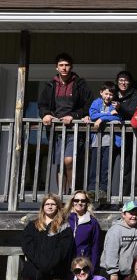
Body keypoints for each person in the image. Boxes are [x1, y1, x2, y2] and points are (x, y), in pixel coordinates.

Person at [37, 53, 93, 193]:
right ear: (56, 68)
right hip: (55, 130)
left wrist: (73, 116)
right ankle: (61, 196)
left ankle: (73, 194)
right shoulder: (50, 85)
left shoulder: (80, 84)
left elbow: (88, 105)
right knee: (60, 164)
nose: (64, 68)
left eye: (67, 65)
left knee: (69, 161)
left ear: (71, 67)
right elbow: (42, 105)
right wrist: (46, 114)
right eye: (61, 65)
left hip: (73, 129)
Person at [21, 194, 74, 280]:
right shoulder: (32, 226)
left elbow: (62, 251)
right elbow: (28, 248)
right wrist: (42, 264)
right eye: (47, 204)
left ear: (58, 207)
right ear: (43, 207)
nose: (50, 206)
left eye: (53, 204)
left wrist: (48, 265)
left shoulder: (64, 228)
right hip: (33, 278)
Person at [87, 81, 121, 197]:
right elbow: (92, 115)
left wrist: (101, 119)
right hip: (97, 140)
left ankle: (103, 190)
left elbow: (117, 117)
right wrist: (106, 116)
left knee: (106, 167)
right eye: (106, 94)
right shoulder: (96, 103)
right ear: (101, 93)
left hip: (110, 141)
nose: (108, 97)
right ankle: (92, 189)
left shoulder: (115, 104)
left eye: (111, 94)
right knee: (94, 165)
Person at [115, 71, 137, 195]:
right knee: (112, 168)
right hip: (113, 135)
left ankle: (127, 197)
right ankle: (109, 197)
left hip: (131, 137)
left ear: (130, 82)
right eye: (121, 80)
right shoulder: (112, 94)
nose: (123, 83)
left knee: (129, 169)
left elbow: (133, 111)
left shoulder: (136, 95)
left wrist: (119, 106)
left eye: (126, 80)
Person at [100, 201, 137, 280]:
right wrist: (113, 272)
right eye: (131, 213)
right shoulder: (115, 230)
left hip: (129, 273)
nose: (134, 216)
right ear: (123, 214)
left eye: (136, 213)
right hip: (112, 273)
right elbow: (111, 252)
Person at [66, 191, 100, 270]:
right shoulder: (65, 220)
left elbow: (95, 248)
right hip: (66, 264)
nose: (80, 203)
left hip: (83, 265)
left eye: (83, 200)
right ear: (72, 202)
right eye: (76, 200)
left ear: (87, 203)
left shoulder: (92, 222)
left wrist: (93, 269)